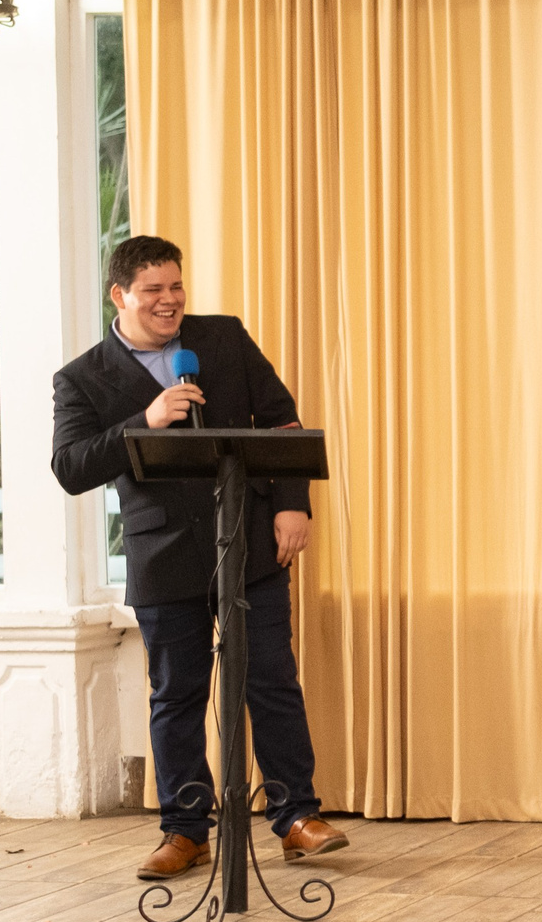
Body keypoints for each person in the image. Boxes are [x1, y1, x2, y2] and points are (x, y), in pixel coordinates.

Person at [51, 236, 348, 882]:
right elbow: (70, 468)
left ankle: (297, 818)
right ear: (119, 295)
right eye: (153, 290)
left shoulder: (223, 339)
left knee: (271, 681)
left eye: (176, 287)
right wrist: (145, 418)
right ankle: (186, 832)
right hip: (163, 556)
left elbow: (282, 421)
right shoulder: (82, 377)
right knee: (177, 696)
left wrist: (291, 505)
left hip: (250, 543)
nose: (170, 301)